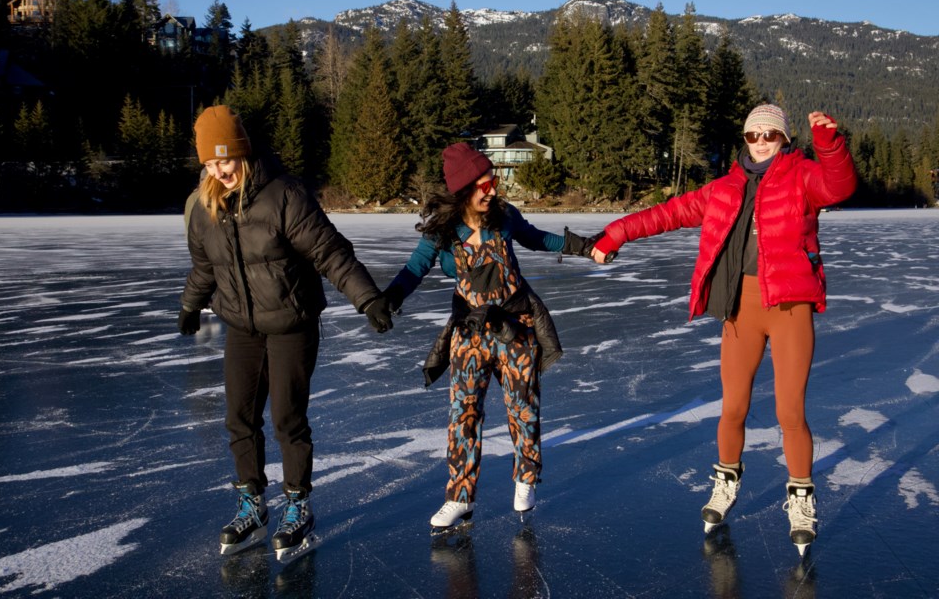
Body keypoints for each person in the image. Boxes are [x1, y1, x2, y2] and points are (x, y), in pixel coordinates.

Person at [592, 105, 857, 555]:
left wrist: (830, 145)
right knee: (732, 406)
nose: (759, 142)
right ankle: (726, 482)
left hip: (789, 308)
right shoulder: (725, 187)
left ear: (785, 139)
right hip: (740, 311)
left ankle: (800, 499)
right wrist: (614, 233)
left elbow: (840, 184)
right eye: (752, 135)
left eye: (769, 135)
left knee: (789, 412)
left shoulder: (803, 178)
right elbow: (668, 213)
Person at [178, 105, 394, 560]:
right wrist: (190, 305)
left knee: (287, 419)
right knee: (238, 417)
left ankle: (298, 505)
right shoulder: (203, 207)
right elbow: (205, 266)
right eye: (212, 163)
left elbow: (330, 252)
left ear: (244, 153)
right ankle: (252, 504)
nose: (221, 171)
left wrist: (367, 298)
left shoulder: (284, 196)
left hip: (292, 323)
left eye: (228, 160)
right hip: (241, 325)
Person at [383, 142, 600, 532]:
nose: (493, 190)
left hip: (515, 327)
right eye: (485, 184)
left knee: (523, 408)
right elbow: (415, 267)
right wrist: (391, 298)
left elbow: (538, 238)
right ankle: (459, 498)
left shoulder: (504, 217)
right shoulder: (443, 231)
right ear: (464, 188)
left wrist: (583, 246)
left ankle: (526, 478)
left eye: (494, 181)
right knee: (463, 415)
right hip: (469, 333)